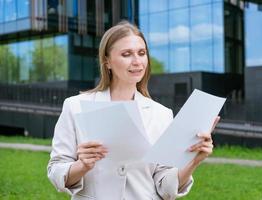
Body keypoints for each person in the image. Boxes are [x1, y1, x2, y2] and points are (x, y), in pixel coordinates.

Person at [47, 21, 220, 200]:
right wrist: (82, 165)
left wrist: (194, 160)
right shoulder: (75, 106)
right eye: (126, 54)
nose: (137, 62)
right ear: (107, 61)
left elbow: (164, 186)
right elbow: (56, 170)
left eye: (142, 53)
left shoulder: (161, 114)